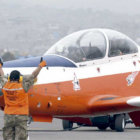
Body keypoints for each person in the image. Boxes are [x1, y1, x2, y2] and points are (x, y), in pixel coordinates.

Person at [0, 57, 47, 140]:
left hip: (8, 116)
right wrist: (40, 65)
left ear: (10, 78)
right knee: (21, 137)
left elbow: (2, 75)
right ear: (19, 79)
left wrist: (0, 66)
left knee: (7, 137)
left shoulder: (5, 86)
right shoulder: (23, 86)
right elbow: (33, 75)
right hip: (21, 115)